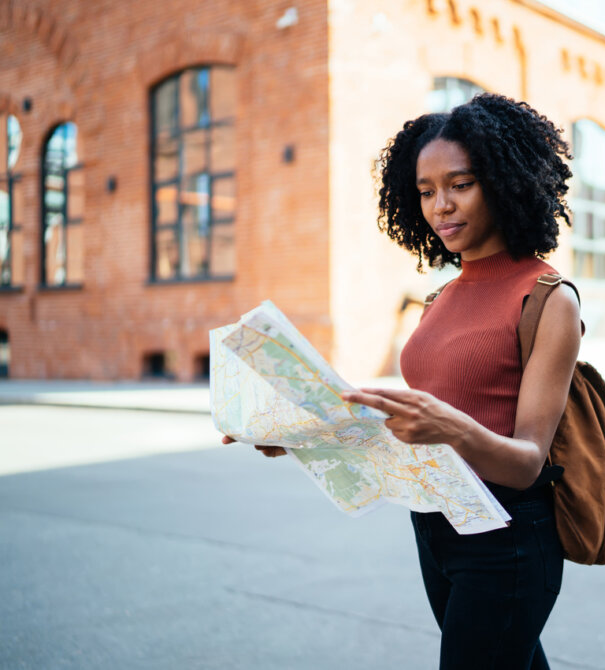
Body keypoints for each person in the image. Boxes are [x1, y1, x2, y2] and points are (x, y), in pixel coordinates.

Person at [227, 93, 581, 669]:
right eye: (425, 191)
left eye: (460, 184)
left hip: (508, 540)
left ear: (504, 180)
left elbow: (527, 463)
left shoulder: (548, 299)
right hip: (437, 526)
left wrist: (452, 428)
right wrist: (304, 435)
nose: (441, 206)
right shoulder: (439, 299)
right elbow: (409, 437)